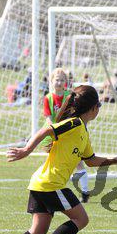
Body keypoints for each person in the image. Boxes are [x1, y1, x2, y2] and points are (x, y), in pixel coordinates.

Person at [0, 85, 117, 234]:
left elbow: (90, 161)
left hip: (41, 183)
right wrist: (26, 150)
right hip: (51, 184)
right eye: (99, 105)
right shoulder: (74, 124)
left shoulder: (82, 131)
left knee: (38, 229)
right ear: (93, 108)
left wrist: (115, 160)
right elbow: (46, 130)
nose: (99, 109)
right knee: (81, 219)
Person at [42, 68, 90, 203]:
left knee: (78, 162)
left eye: (62, 80)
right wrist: (55, 130)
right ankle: (50, 190)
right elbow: (48, 118)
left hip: (70, 133)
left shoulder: (70, 96)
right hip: (54, 134)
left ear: (66, 82)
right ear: (51, 81)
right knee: (53, 162)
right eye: (57, 80)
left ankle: (85, 192)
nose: (59, 82)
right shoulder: (48, 98)